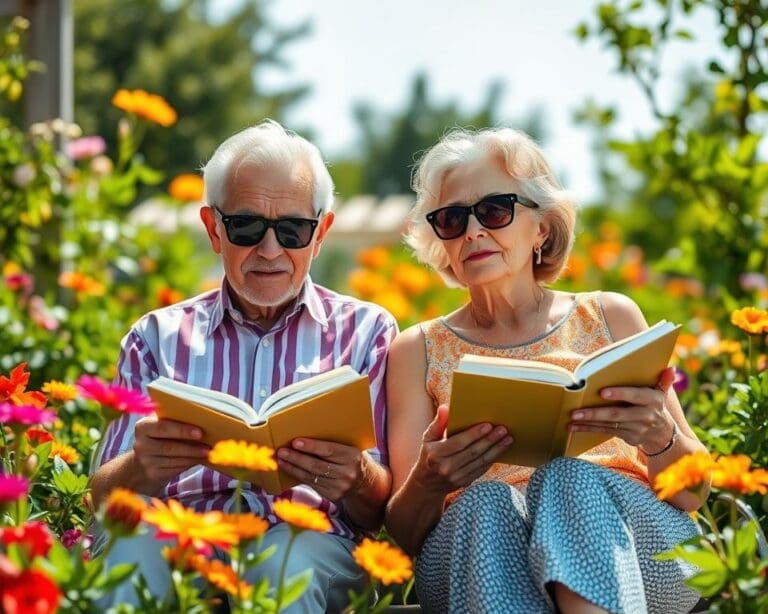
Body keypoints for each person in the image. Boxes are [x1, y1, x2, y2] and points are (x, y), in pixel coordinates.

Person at [384, 127, 709, 614]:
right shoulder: (415, 350)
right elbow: (407, 537)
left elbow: (695, 493)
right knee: (486, 503)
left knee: (568, 478)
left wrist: (660, 436)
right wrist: (430, 479)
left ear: (541, 227)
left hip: (639, 549)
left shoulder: (612, 315)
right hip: (481, 558)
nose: (473, 232)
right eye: (452, 219)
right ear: (441, 241)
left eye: (495, 210)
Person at [90, 119, 397, 611]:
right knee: (130, 552)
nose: (270, 250)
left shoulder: (367, 333)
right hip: (181, 532)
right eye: (247, 226)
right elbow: (101, 496)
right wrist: (139, 468)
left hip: (307, 541)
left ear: (321, 234)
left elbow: (385, 507)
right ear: (214, 228)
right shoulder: (156, 337)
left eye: (293, 229)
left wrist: (357, 477)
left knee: (281, 568)